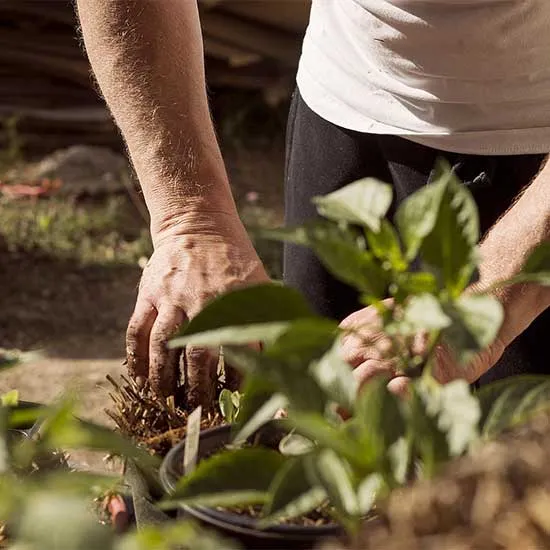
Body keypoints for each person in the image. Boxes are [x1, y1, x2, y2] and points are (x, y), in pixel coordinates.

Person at [76, 0, 550, 404]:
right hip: (342, 114)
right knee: (321, 441)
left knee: (513, 488)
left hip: (535, 161)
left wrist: (483, 301)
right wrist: (191, 217)